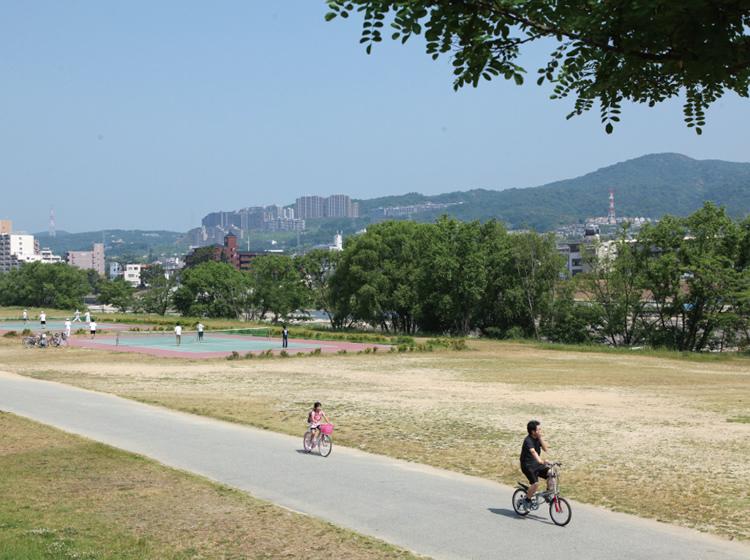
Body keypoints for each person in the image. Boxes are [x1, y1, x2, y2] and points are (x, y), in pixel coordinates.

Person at [520, 420, 551, 504]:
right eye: (539, 430)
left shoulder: (537, 438)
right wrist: (541, 461)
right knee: (535, 484)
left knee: (551, 473)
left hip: (536, 464)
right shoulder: (528, 440)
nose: (540, 431)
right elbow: (533, 452)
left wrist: (540, 438)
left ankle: (547, 494)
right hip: (527, 466)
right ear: (533, 431)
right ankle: (527, 500)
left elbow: (545, 449)